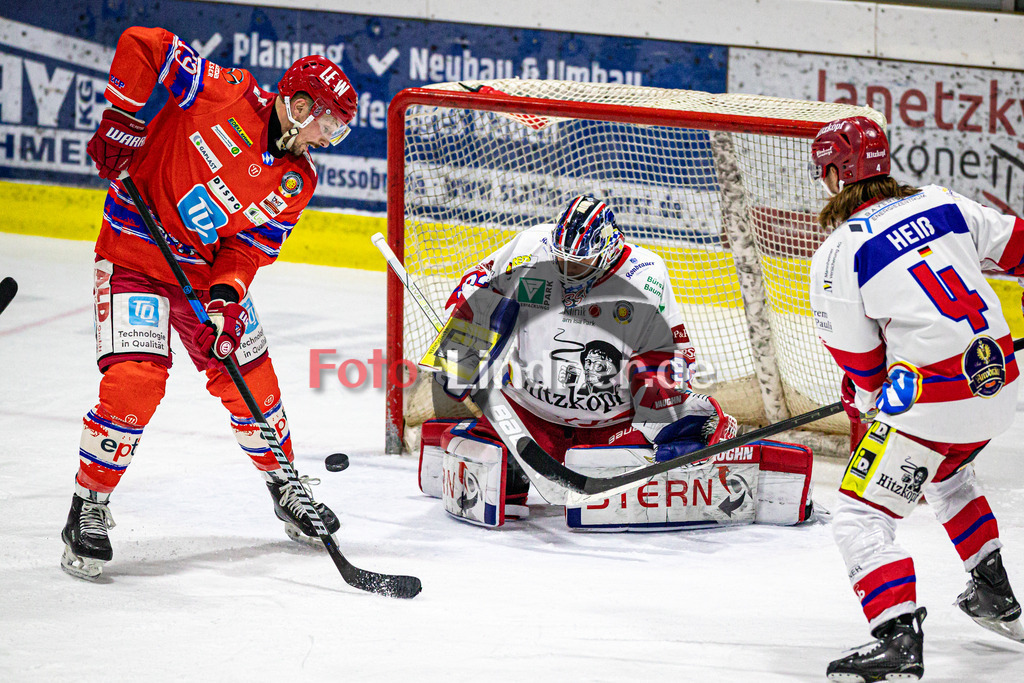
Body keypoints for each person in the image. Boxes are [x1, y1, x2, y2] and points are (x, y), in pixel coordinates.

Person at [61, 26, 358, 580]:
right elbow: (142, 45)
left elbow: (248, 248)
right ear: (297, 104)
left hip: (201, 279)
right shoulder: (225, 92)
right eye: (328, 122)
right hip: (133, 250)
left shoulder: (298, 180)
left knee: (252, 375)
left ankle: (285, 486)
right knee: (137, 380)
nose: (328, 137)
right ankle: (89, 506)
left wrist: (225, 299)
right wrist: (123, 119)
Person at [415, 195, 816, 530]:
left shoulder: (643, 276)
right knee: (494, 477)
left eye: (581, 265)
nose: (569, 272)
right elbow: (473, 291)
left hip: (608, 424)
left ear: (607, 252)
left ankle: (709, 436)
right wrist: (460, 354)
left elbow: (669, 355)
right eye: (562, 260)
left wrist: (658, 411)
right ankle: (508, 450)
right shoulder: (530, 248)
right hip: (529, 412)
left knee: (671, 426)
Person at [808, 116, 1024, 681]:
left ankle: (898, 638)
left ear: (834, 175)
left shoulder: (840, 250)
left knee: (858, 516)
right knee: (946, 474)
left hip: (932, 403)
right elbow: (1020, 246)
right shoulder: (944, 201)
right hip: (999, 386)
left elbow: (861, 365)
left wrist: (868, 400)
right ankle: (994, 595)